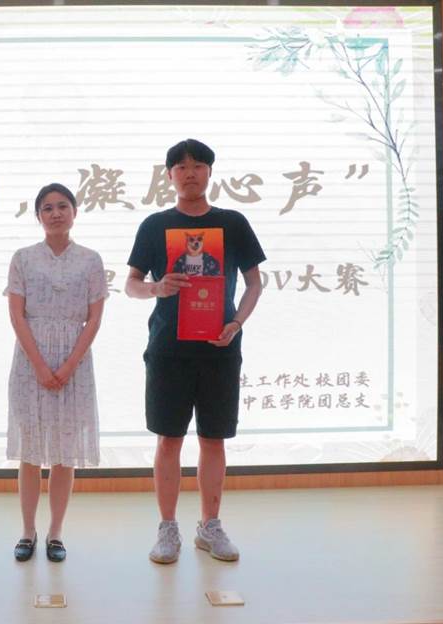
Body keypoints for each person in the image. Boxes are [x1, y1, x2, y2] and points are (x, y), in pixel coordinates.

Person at [125, 139, 265, 563]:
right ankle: (168, 529)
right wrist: (156, 288)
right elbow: (131, 285)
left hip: (219, 348)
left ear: (209, 173)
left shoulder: (232, 223)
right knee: (169, 439)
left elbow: (254, 283)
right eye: (182, 167)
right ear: (169, 175)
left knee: (213, 439)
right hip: (168, 350)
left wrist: (236, 324)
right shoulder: (155, 225)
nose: (190, 173)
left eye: (199, 165)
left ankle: (210, 526)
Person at [6, 182, 107, 563]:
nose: (55, 213)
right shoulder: (23, 258)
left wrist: (66, 367)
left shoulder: (91, 260)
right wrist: (40, 365)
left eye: (63, 206)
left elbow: (94, 319)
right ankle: (27, 531)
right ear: (38, 216)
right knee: (30, 453)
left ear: (75, 212)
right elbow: (17, 315)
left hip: (75, 361)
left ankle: (56, 533)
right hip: (29, 360)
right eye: (47, 208)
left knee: (65, 454)